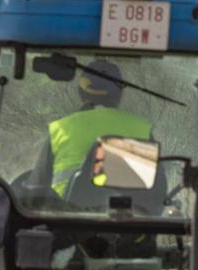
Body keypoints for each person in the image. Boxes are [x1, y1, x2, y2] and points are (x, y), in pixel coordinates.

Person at [41, 60, 152, 198]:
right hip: (128, 216)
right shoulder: (142, 130)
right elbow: (156, 192)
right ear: (119, 95)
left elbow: (36, 188)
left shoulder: (60, 129)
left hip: (64, 216)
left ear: (81, 93)